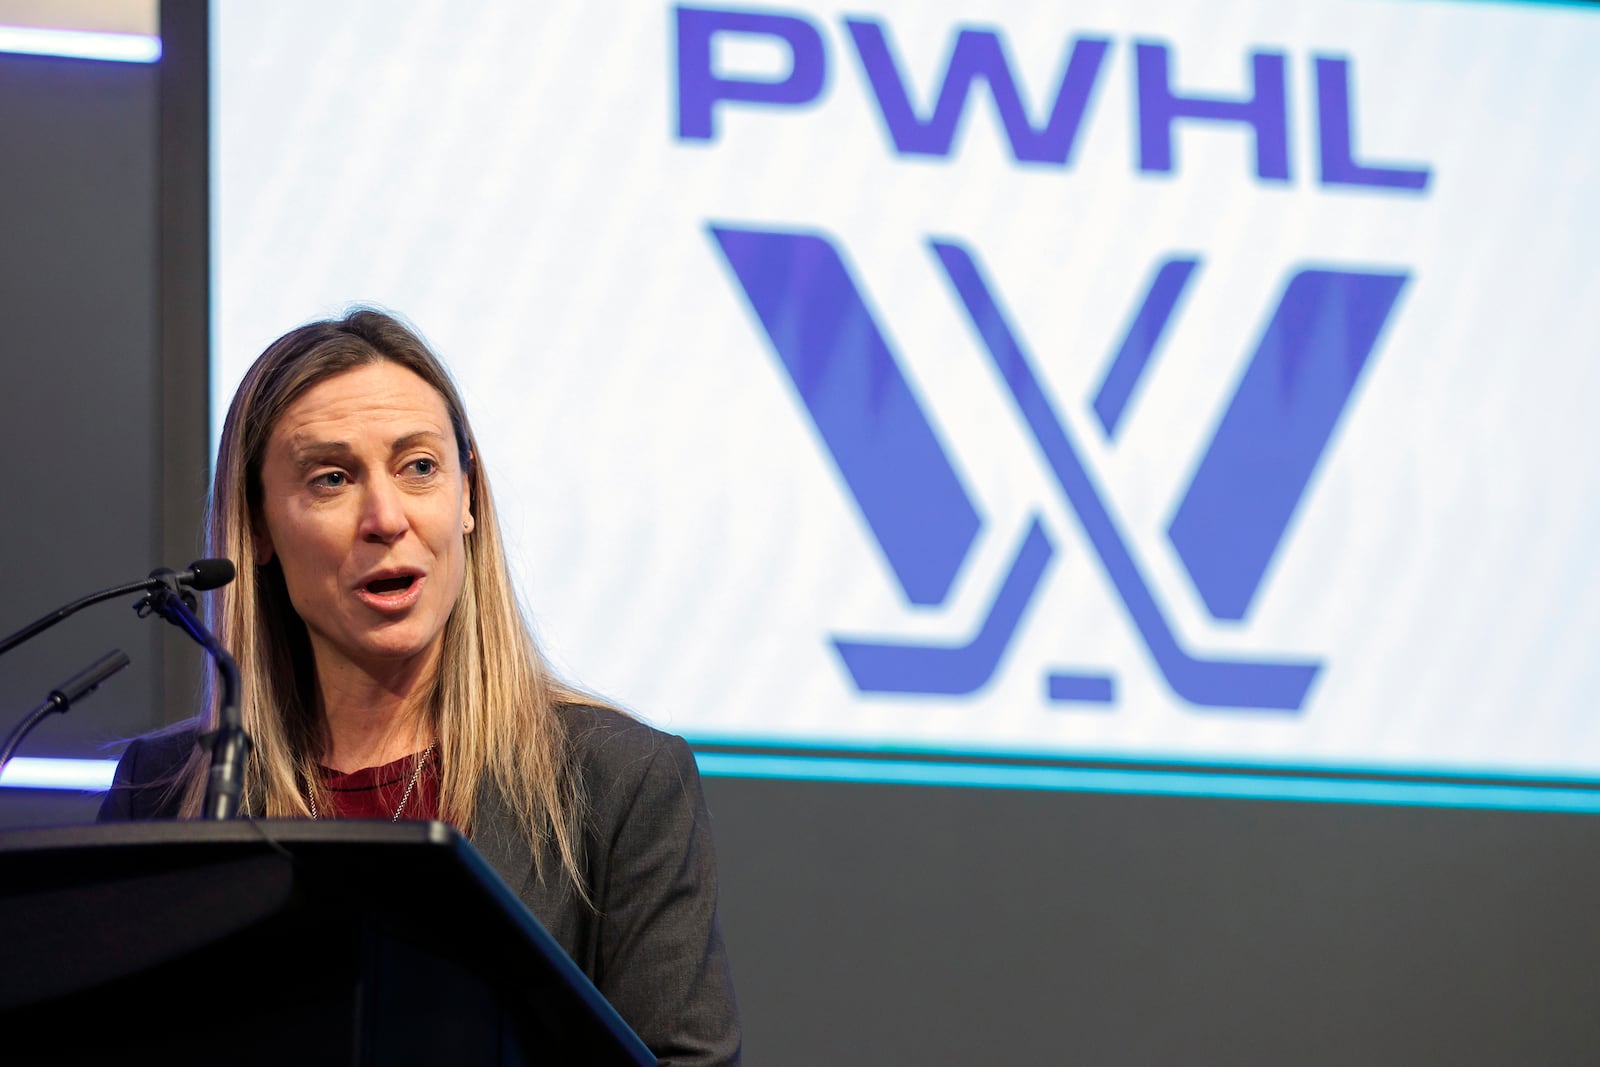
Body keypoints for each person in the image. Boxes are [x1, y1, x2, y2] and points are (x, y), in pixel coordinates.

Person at [98, 308, 740, 1064]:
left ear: (468, 499)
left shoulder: (619, 783)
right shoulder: (162, 790)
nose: (386, 516)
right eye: (332, 478)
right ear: (260, 526)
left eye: (419, 467)